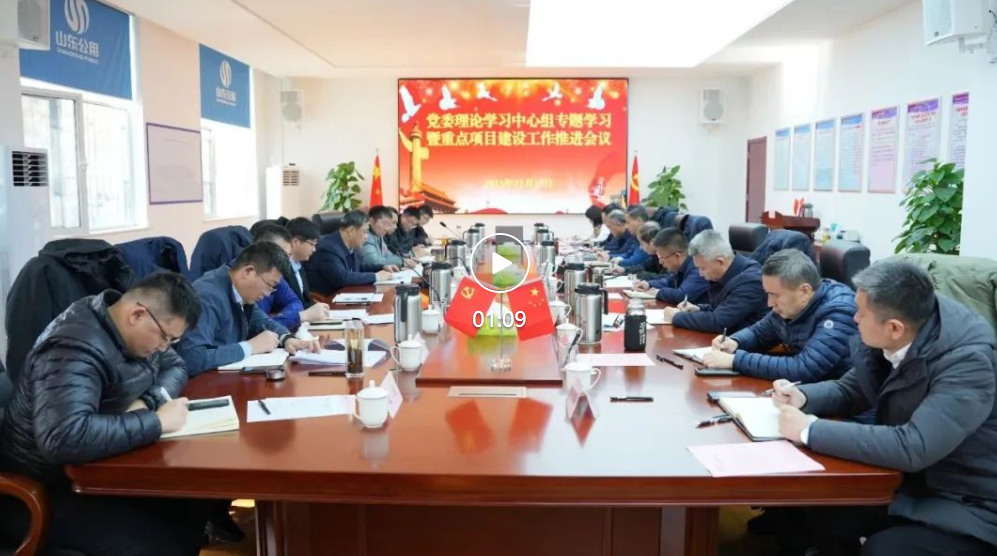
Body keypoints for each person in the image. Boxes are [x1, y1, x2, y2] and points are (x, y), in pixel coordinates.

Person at [773, 260, 997, 556]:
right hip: (912, 482)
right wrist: (802, 396)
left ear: (894, 328)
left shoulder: (967, 364)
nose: (854, 318)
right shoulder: (902, 330)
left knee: (884, 550)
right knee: (826, 504)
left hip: (968, 501)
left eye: (861, 313)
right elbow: (851, 389)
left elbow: (914, 446)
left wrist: (809, 430)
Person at [0, 272, 212, 556]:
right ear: (137, 314)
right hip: (45, 487)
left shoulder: (127, 329)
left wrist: (148, 400)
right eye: (165, 337)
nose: (163, 347)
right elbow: (64, 438)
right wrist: (157, 421)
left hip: (98, 466)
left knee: (193, 503)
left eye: (171, 341)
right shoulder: (73, 347)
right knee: (158, 545)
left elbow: (176, 366)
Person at [702, 249, 857, 381]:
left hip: (842, 402)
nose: (770, 303)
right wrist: (735, 342)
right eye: (768, 293)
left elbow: (803, 368)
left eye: (775, 295)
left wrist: (735, 360)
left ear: (804, 291)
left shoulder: (839, 312)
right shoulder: (791, 304)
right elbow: (758, 333)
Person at [176, 242, 321, 376]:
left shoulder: (240, 291)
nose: (268, 294)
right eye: (269, 285)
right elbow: (191, 358)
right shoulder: (207, 296)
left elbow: (262, 321)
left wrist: (287, 338)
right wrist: (250, 347)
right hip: (204, 385)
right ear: (248, 271)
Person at [662, 230, 767, 334]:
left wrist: (676, 316)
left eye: (703, 268)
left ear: (720, 261)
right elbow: (722, 307)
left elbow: (718, 322)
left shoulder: (750, 281)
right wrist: (698, 308)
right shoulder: (729, 272)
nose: (700, 274)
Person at [253, 224, 330, 330]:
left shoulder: (277, 275)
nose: (287, 261)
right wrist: (300, 316)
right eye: (283, 255)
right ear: (263, 252)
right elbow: (256, 328)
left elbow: (295, 302)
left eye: (288, 256)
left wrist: (287, 317)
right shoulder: (247, 277)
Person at [306, 210, 396, 296]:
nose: (366, 236)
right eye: (365, 232)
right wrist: (376, 276)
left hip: (347, 294)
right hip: (328, 299)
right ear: (352, 231)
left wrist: (382, 267)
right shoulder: (327, 248)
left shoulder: (352, 245)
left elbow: (360, 268)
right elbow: (342, 277)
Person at [634, 227, 710, 305]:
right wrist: (649, 284)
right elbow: (669, 282)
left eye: (662, 257)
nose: (660, 262)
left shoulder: (697, 267)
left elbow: (682, 295)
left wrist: (658, 292)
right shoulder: (680, 266)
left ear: (677, 255)